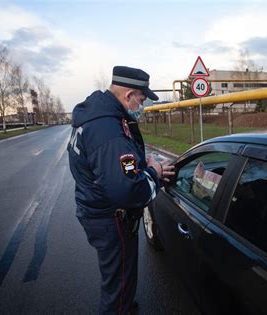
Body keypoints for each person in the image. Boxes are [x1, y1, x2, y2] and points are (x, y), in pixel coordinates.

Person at [67, 66, 174, 315]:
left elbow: (107, 165)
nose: (142, 106)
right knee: (118, 287)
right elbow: (128, 191)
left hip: (95, 210)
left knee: (118, 280)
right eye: (142, 99)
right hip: (111, 219)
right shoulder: (108, 129)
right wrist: (154, 173)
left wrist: (140, 161)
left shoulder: (97, 116)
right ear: (128, 95)